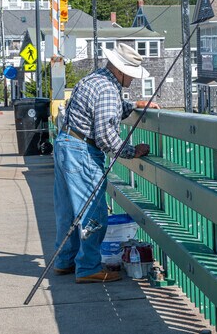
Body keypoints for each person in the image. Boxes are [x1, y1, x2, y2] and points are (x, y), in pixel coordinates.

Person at [53, 43, 161, 283]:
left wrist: (133, 105)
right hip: (82, 151)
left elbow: (106, 112)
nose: (132, 80)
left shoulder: (94, 79)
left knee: (68, 211)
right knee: (94, 212)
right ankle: (88, 267)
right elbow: (105, 136)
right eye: (131, 75)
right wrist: (132, 151)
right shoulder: (108, 90)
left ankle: (64, 261)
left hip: (66, 144)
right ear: (121, 70)